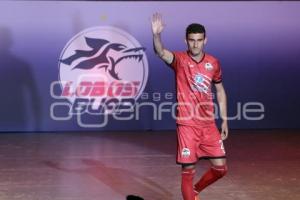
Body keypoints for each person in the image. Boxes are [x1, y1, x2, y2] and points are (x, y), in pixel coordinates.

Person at [151, 13, 229, 200]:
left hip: (208, 124)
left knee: (221, 168)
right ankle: (189, 194)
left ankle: (194, 191)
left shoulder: (213, 62)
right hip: (187, 124)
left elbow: (219, 90)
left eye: (199, 40)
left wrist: (225, 120)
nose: (195, 44)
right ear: (185, 41)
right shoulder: (179, 60)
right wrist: (156, 36)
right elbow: (161, 52)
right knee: (189, 168)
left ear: (205, 40)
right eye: (192, 40)